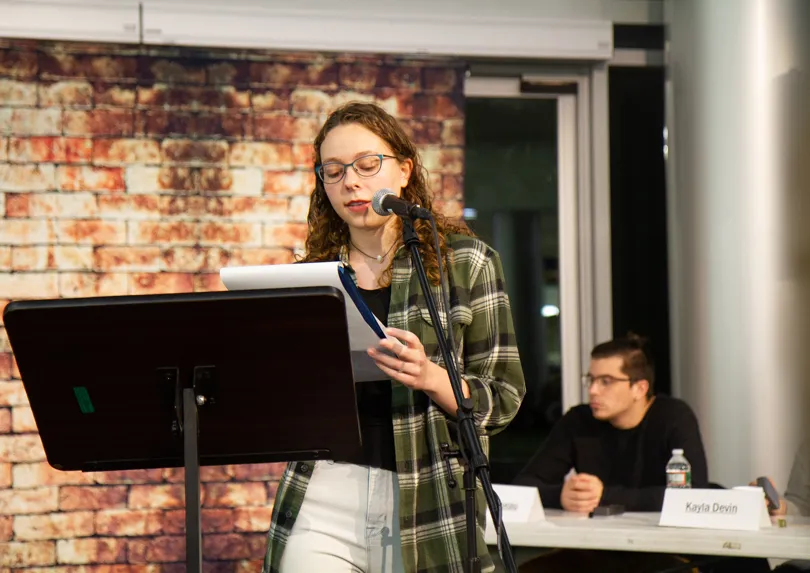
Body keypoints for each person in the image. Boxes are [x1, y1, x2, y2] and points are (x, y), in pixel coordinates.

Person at [261, 102, 526, 573]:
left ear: (403, 171)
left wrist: (431, 376)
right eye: (334, 171)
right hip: (323, 492)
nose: (351, 182)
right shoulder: (311, 278)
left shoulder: (467, 262)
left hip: (425, 494)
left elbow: (503, 398)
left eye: (367, 165)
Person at [514, 333, 708, 513]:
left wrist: (604, 496)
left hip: (661, 535)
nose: (593, 390)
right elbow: (523, 485)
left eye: (606, 381)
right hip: (595, 535)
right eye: (591, 380)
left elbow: (694, 494)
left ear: (639, 389)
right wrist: (561, 496)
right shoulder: (579, 421)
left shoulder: (673, 417)